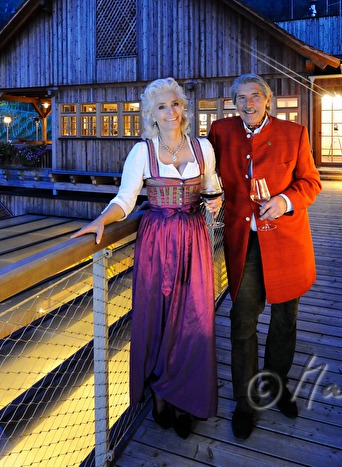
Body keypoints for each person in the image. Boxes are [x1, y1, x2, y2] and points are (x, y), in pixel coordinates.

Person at [72, 77, 222, 439]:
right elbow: (125, 201)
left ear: (183, 108)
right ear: (151, 115)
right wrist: (100, 220)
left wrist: (217, 201)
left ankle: (186, 399)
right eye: (162, 107)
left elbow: (212, 188)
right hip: (157, 243)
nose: (171, 112)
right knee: (157, 317)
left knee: (194, 321)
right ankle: (159, 392)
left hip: (194, 240)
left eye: (176, 104)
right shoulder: (142, 152)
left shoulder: (203, 147)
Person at [207, 73, 321, 439]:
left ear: (267, 100)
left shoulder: (295, 134)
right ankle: (245, 401)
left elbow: (311, 182)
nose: (247, 103)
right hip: (245, 242)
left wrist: (284, 201)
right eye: (240, 98)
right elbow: (208, 173)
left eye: (254, 96)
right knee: (242, 321)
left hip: (287, 241)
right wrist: (211, 195)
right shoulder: (221, 131)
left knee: (284, 320)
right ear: (234, 103)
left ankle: (276, 384)